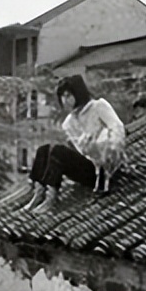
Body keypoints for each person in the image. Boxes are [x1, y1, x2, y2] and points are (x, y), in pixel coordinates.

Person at [15, 75, 126, 213]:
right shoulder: (69, 123)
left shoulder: (99, 106)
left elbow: (117, 128)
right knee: (44, 150)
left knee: (58, 151)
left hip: (107, 168)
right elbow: (82, 151)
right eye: (62, 96)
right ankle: (39, 193)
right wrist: (87, 147)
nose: (65, 100)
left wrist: (108, 149)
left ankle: (52, 197)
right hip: (88, 167)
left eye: (68, 95)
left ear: (78, 93)